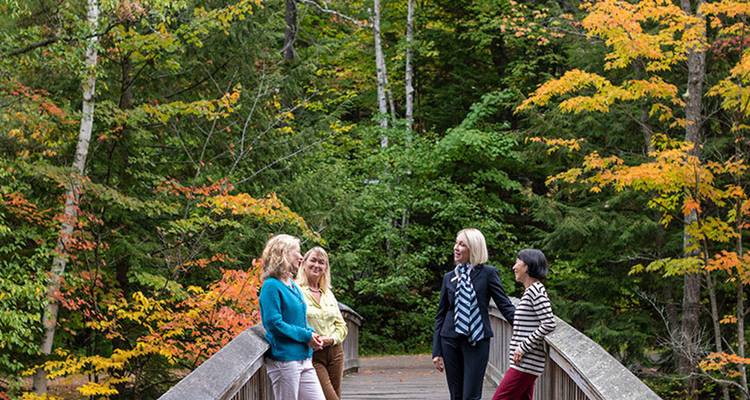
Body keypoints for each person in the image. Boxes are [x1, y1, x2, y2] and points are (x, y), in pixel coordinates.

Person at [432, 228, 516, 400]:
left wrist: (525, 326)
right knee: (456, 395)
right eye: (456, 243)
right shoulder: (449, 277)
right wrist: (436, 350)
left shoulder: (488, 274)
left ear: (474, 249)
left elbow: (504, 305)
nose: (456, 247)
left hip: (477, 340)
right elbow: (441, 314)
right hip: (449, 339)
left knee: (471, 395)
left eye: (462, 244)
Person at [259, 234, 326, 400]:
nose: (301, 256)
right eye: (297, 251)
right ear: (283, 254)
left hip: (304, 357)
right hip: (285, 361)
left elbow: (298, 320)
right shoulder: (271, 286)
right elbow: (273, 323)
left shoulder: (292, 284)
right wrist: (306, 335)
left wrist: (311, 334)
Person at [492, 249, 556, 400]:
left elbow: (549, 322)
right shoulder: (531, 291)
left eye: (517, 262)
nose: (514, 267)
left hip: (526, 363)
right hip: (525, 363)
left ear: (527, 266)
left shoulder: (536, 291)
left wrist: (523, 346)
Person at [297, 246, 348, 400]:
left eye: (322, 262)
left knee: (336, 395)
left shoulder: (327, 293)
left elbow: (342, 325)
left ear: (326, 268)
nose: (317, 265)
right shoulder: (296, 290)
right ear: (304, 263)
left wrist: (331, 339)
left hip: (335, 351)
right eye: (313, 260)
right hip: (313, 353)